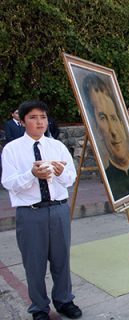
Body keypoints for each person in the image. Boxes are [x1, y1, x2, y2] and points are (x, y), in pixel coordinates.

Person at [1, 100, 82, 320]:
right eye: (33, 117)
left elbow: (70, 178)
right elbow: (8, 182)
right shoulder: (12, 149)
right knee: (34, 263)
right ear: (23, 120)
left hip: (58, 211)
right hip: (30, 213)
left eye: (43, 117)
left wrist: (58, 172)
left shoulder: (57, 147)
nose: (39, 122)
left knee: (61, 260)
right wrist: (31, 175)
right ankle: (39, 307)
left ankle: (65, 300)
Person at [83, 74, 129, 201]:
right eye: (103, 118)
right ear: (96, 128)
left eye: (114, 117)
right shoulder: (110, 180)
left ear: (122, 123)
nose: (113, 131)